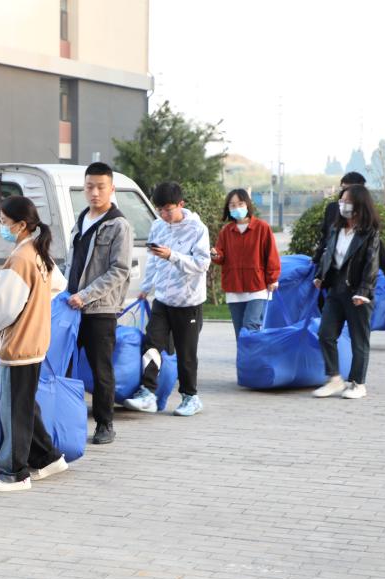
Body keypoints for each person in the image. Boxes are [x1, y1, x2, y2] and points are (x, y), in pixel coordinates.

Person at [0, 196, 69, 492]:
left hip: (18, 344)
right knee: (24, 406)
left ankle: (14, 473)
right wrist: (37, 306)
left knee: (14, 411)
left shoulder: (20, 258)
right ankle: (48, 458)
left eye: (4, 221)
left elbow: (5, 308)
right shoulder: (37, 252)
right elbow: (59, 285)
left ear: (21, 225)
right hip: (34, 343)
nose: (1, 226)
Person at [123, 181, 210, 416]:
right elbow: (153, 260)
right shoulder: (158, 226)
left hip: (188, 302)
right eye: (159, 210)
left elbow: (202, 264)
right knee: (152, 343)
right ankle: (148, 393)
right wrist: (146, 288)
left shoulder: (197, 229)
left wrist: (172, 255)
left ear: (181, 204)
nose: (164, 215)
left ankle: (191, 397)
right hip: (162, 299)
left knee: (185, 353)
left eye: (168, 210)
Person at [63, 162, 132, 445]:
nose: (94, 192)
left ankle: (105, 424)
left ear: (111, 188)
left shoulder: (119, 225)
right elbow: (72, 262)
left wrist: (86, 295)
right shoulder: (81, 220)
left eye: (101, 187)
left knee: (101, 369)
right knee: (64, 365)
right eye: (89, 186)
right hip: (70, 308)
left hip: (99, 310)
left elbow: (119, 270)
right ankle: (63, 419)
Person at [312, 185, 380, 399]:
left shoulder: (369, 233)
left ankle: (358, 383)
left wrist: (364, 291)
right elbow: (329, 255)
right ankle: (334, 379)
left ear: (360, 204)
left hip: (358, 293)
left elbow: (371, 263)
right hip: (336, 290)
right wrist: (321, 276)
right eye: (341, 201)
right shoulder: (336, 229)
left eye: (347, 201)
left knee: (359, 340)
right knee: (325, 333)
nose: (343, 205)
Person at [210, 189, 281, 335]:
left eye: (240, 204)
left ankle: (252, 351)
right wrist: (215, 255)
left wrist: (272, 279)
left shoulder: (262, 228)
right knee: (240, 332)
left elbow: (272, 255)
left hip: (257, 287)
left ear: (247, 205)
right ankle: (244, 352)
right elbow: (221, 257)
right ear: (228, 208)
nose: (236, 208)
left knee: (250, 326)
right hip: (234, 287)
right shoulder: (226, 231)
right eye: (232, 205)